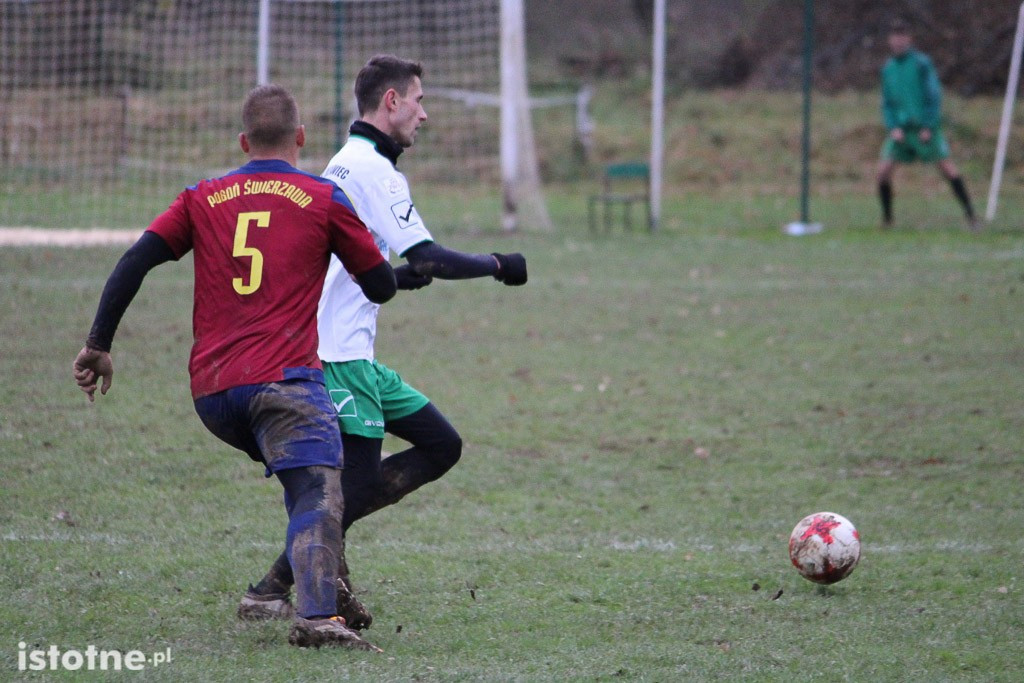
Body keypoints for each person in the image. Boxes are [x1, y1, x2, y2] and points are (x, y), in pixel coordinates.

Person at [72, 84, 397, 651]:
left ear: (244, 141)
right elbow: (380, 285)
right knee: (319, 488)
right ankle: (318, 616)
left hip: (214, 394)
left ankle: (288, 590)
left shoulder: (202, 197)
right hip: (284, 382)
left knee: (303, 477)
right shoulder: (321, 197)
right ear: (300, 137)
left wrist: (99, 343)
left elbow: (136, 260)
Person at [238, 55, 528, 628]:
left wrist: (390, 277)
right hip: (338, 355)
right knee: (358, 483)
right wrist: (499, 264)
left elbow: (342, 257)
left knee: (441, 444)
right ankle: (275, 585)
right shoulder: (373, 170)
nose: (425, 114)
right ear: (390, 102)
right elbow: (431, 257)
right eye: (418, 100)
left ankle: (285, 580)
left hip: (351, 352)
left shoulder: (344, 163)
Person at [877, 17, 978, 232]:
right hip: (901, 131)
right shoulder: (888, 69)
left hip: (923, 128)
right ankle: (887, 220)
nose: (898, 41)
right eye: (895, 36)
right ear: (889, 40)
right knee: (883, 172)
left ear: (909, 39)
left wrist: (928, 125)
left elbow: (934, 96)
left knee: (947, 168)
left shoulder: (922, 64)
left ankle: (971, 216)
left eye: (903, 36)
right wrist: (893, 126)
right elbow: (887, 103)